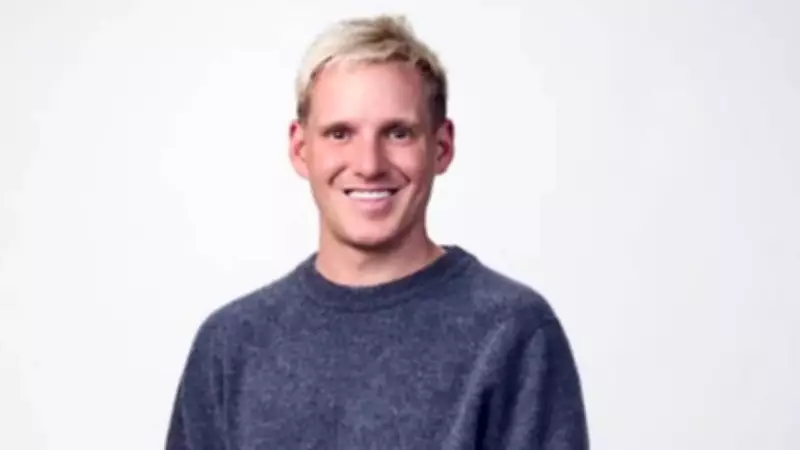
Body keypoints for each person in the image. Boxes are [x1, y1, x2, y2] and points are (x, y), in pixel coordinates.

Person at [166, 14, 589, 450]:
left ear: (441, 147)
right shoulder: (230, 345)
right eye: (339, 133)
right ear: (300, 148)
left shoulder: (513, 332)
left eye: (398, 133)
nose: (369, 164)